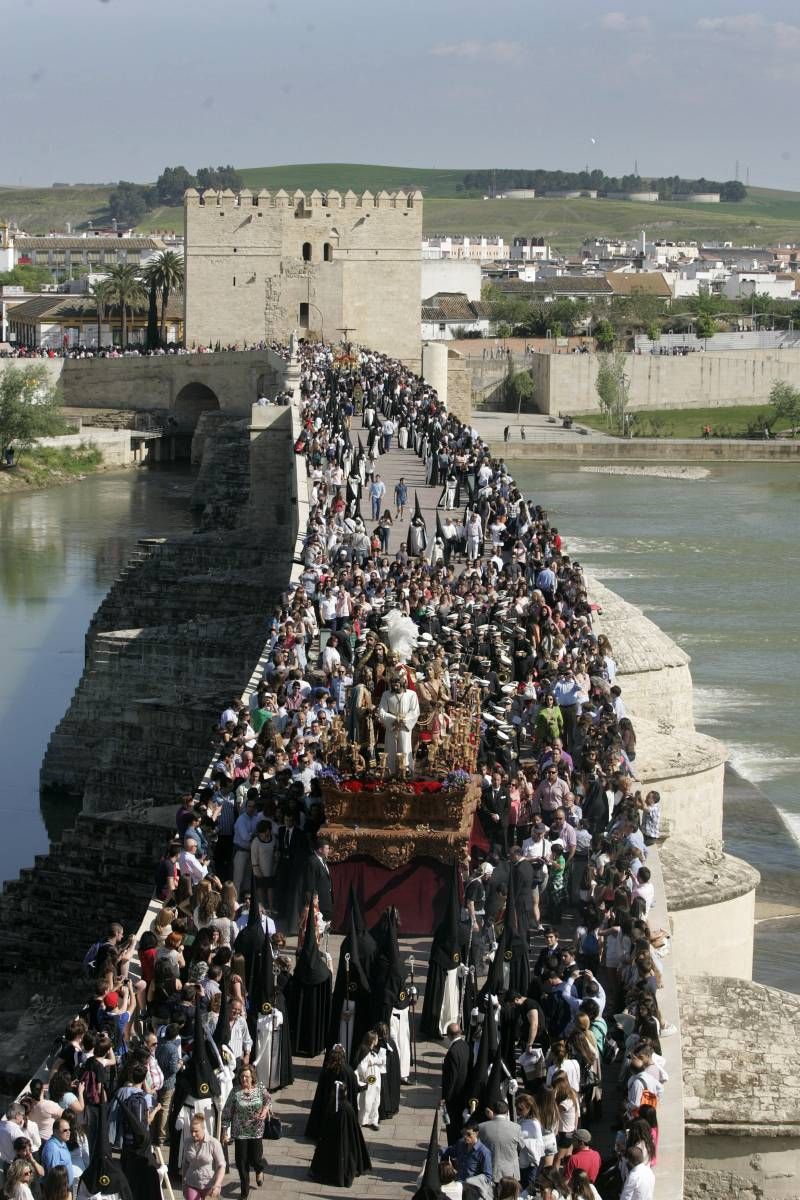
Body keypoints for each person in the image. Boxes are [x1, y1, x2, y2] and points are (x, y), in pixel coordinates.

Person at [221, 1065, 270, 1199]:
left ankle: (259, 1168)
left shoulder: (260, 1088)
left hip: (256, 1131)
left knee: (255, 1159)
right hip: (240, 1132)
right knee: (241, 1163)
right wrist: (225, 1131)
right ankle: (244, 1193)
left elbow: (268, 1100)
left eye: (246, 1077)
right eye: (242, 1077)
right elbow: (226, 1113)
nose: (244, 1079)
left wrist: (265, 1111)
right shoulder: (235, 1092)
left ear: (252, 1077)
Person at [441, 1125, 493, 1200]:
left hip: (472, 1191)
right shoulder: (460, 1144)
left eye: (468, 1134)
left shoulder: (484, 1152)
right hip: (458, 1188)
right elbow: (449, 1151)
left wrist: (469, 1181)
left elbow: (488, 1177)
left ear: (476, 1133)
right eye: (463, 1133)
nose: (465, 1136)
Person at [478, 1101, 525, 1184]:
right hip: (510, 1174)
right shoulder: (516, 1128)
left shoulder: (482, 1127)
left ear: (492, 1111)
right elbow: (521, 1147)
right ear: (507, 1112)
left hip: (488, 1171)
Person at [181, 1113, 225, 1200]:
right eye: (191, 1131)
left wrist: (217, 1185)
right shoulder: (187, 1142)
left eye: (196, 1131)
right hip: (192, 1182)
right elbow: (185, 1163)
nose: (193, 1134)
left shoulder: (213, 1143)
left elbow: (222, 1165)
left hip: (210, 1185)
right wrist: (183, 1183)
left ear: (203, 1129)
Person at [442, 1023, 470, 1145]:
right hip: (464, 1092)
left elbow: (451, 1079)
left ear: (448, 1036)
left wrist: (445, 1098)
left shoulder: (452, 1052)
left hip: (454, 1097)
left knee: (452, 1126)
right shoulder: (466, 1045)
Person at [353, 1032, 384, 1131]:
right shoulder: (364, 1050)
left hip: (376, 1078)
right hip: (369, 1077)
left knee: (376, 1099)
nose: (377, 1040)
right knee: (366, 1099)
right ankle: (362, 1120)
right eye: (376, 1039)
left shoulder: (374, 1050)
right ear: (372, 1040)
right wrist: (364, 1078)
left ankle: (373, 1120)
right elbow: (361, 1067)